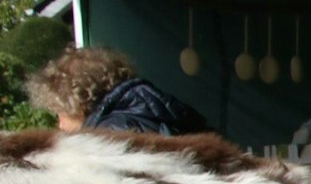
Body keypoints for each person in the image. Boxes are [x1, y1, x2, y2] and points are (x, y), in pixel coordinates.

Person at [27, 47, 209, 135]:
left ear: (77, 102)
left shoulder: (111, 133)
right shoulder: (152, 110)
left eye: (59, 113)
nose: (59, 125)